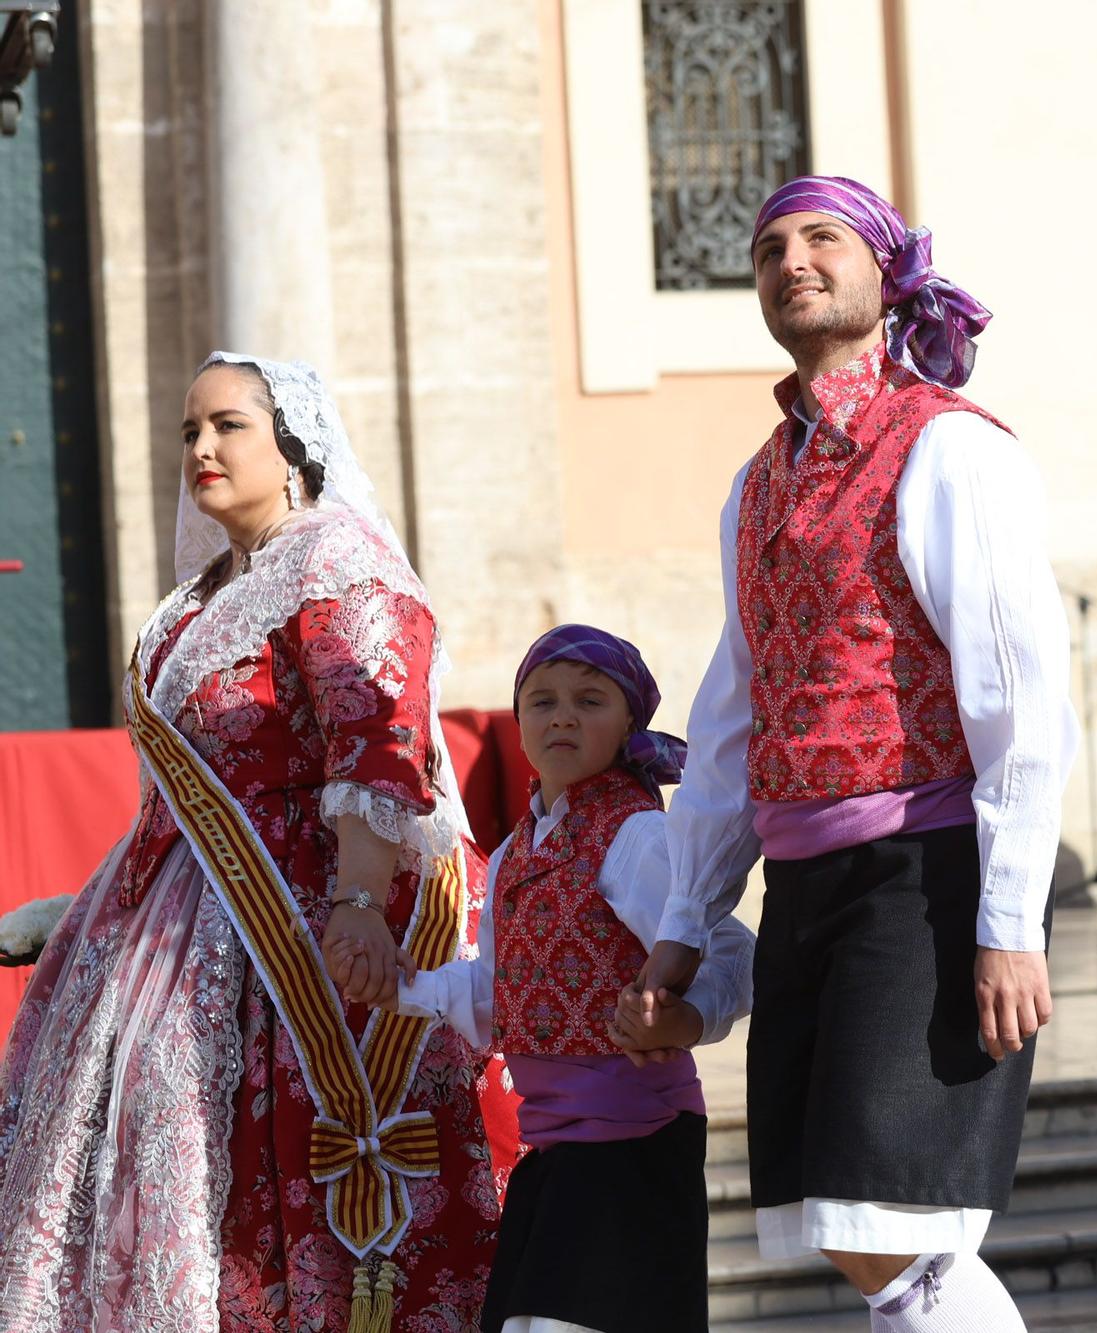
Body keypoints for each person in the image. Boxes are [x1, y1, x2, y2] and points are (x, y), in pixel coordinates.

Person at [625, 176, 1077, 1332]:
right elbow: (734, 715)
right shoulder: (757, 483)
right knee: (842, 1224)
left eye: (822, 238)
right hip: (808, 883)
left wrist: (1008, 920)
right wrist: (687, 922)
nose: (792, 260)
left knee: (893, 1223)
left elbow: (1018, 700)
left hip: (922, 878)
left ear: (888, 274)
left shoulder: (948, 451)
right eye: (769, 246)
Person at [0, 354, 499, 1329]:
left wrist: (356, 903)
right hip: (177, 942)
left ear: (294, 443)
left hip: (306, 942)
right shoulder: (197, 602)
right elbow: (181, 805)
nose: (201, 447)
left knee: (290, 1219)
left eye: (228, 425)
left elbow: (378, 742)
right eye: (189, 430)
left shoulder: (337, 565)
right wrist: (77, 916)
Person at [359, 625, 756, 1333]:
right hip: (557, 1151)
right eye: (541, 701)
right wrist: (403, 988)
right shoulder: (513, 852)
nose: (563, 715)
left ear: (630, 722)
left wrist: (685, 1020)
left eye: (589, 699)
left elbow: (731, 950)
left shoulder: (637, 838)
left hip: (635, 1142)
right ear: (520, 728)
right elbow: (494, 993)